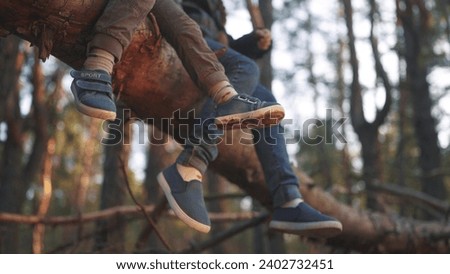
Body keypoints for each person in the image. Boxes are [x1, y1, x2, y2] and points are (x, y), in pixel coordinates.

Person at [156, 0, 343, 237]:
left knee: (268, 103)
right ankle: (189, 165)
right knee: (247, 68)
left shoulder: (217, 11)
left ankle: (288, 201)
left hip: (208, 52)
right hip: (181, 39)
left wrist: (254, 44)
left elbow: (225, 47)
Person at [70, 0, 284, 130]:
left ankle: (226, 97)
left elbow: (223, 43)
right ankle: (96, 69)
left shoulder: (217, 11)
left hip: (187, 28)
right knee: (189, 26)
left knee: (186, 27)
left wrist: (253, 43)